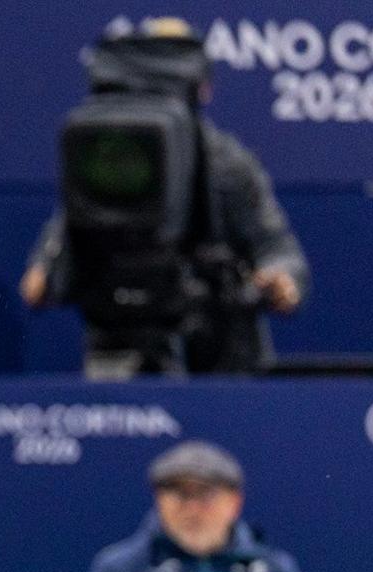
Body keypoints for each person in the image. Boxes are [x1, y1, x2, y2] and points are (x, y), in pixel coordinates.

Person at [20, 18, 307, 376]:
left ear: (202, 89)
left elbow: (276, 247)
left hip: (217, 347)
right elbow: (66, 233)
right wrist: (46, 270)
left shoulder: (227, 164)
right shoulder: (106, 158)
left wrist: (280, 278)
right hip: (121, 336)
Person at [78, 441, 333, 572]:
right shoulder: (120, 567)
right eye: (178, 495)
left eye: (205, 494)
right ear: (159, 500)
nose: (191, 509)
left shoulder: (273, 568)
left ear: (235, 502)